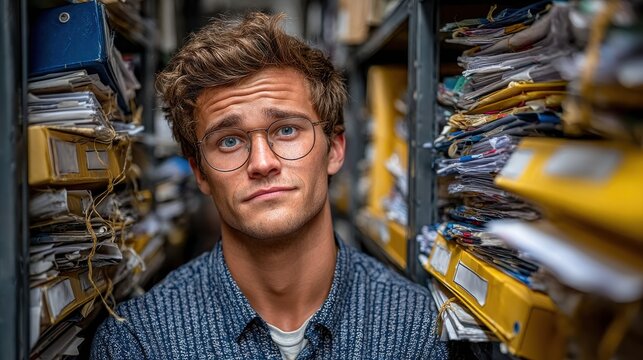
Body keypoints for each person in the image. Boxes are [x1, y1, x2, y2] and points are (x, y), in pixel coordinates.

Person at [90, 12, 448, 359]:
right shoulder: (138, 343)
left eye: (287, 130)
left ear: (335, 150)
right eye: (229, 141)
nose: (262, 163)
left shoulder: (414, 327)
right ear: (200, 173)